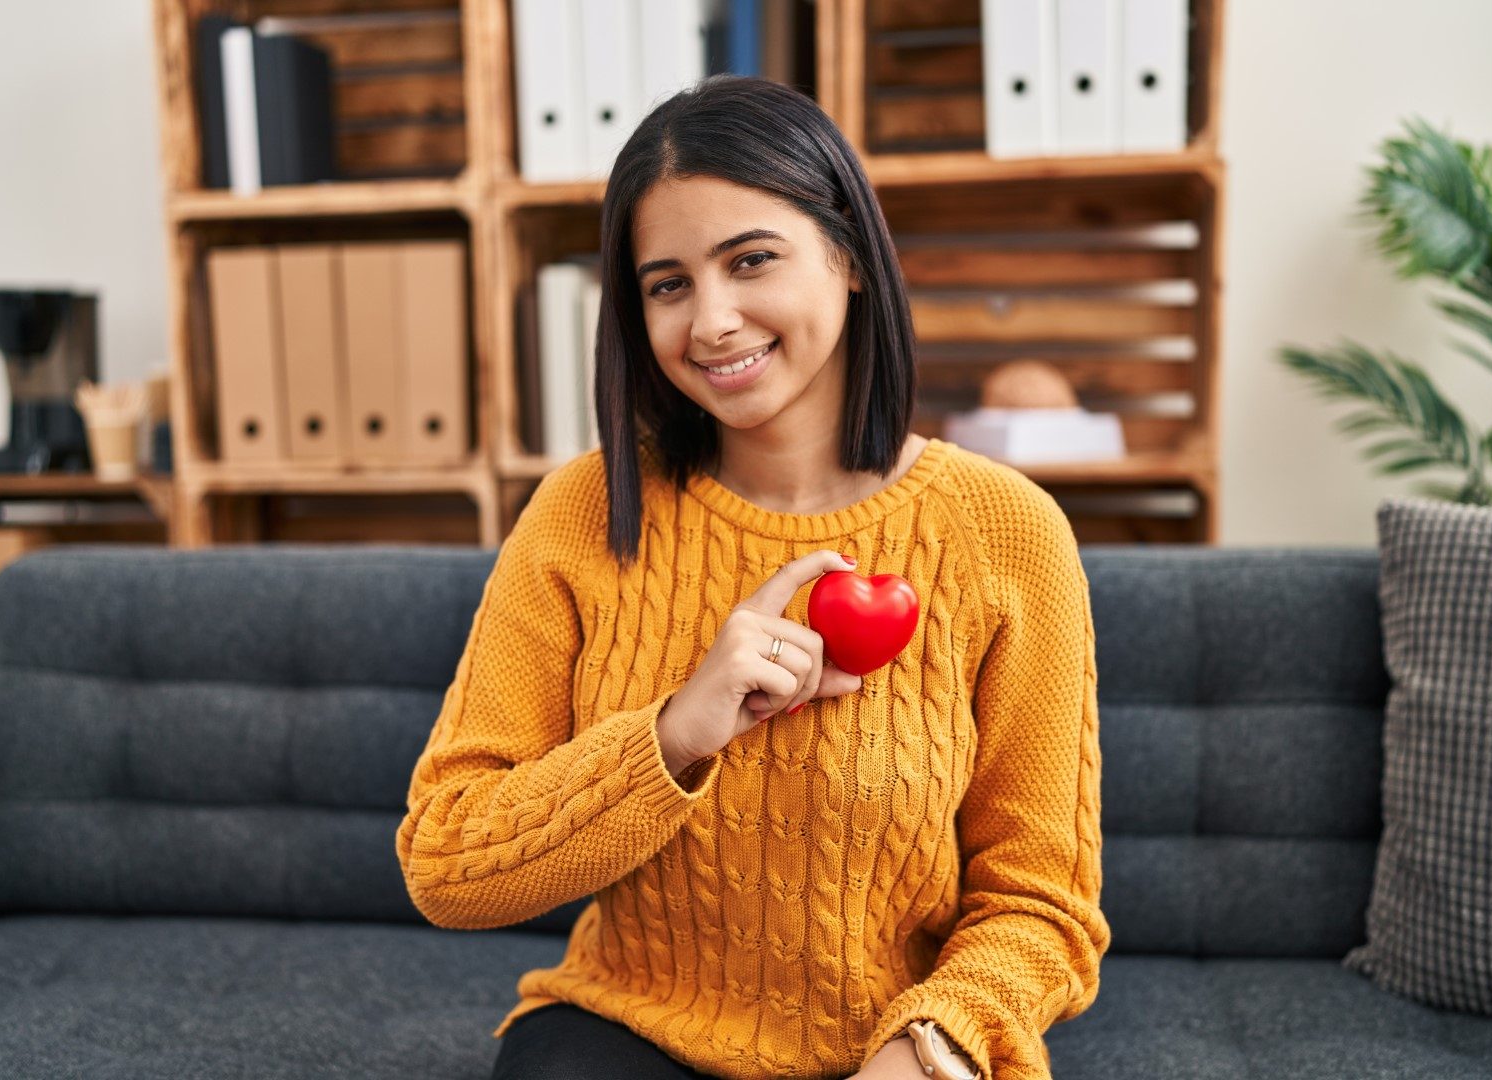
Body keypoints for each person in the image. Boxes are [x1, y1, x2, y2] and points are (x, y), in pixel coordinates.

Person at [394, 74, 1110, 1080]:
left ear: (849, 256)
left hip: (897, 1047)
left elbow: (1043, 904)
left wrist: (929, 1045)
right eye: (668, 284)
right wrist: (677, 734)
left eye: (751, 261)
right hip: (628, 1033)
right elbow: (445, 864)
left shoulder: (1006, 532)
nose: (713, 320)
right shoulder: (583, 514)